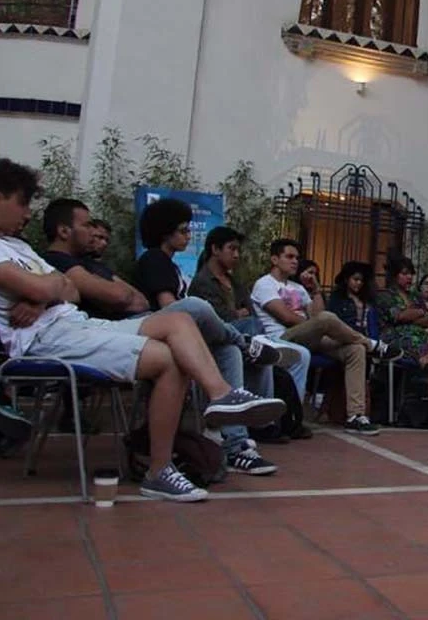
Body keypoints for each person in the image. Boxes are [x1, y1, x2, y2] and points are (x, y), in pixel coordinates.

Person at [0, 159, 284, 501]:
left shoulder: (17, 246)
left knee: (179, 321)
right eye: (23, 203)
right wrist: (46, 290)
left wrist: (42, 295)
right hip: (45, 339)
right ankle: (160, 471)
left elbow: (71, 289)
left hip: (75, 324)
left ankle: (221, 396)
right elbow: (51, 285)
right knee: (169, 358)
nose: (27, 214)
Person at [44, 200, 286, 474]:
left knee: (225, 350)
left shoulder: (95, 265)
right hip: (122, 331)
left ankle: (235, 446)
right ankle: (245, 344)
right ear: (64, 230)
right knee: (195, 307)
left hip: (150, 325)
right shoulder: (63, 262)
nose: (93, 232)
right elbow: (131, 298)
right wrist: (120, 295)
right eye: (87, 226)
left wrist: (122, 295)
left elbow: (134, 297)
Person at [251, 238, 395, 435]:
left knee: (355, 349)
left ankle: (355, 416)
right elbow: (286, 317)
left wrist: (316, 290)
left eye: (297, 258)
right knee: (327, 320)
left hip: (309, 337)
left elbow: (318, 315)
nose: (294, 261)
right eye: (289, 257)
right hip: (280, 338)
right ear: (274, 259)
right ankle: (372, 344)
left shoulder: (298, 288)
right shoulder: (264, 284)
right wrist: (315, 323)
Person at [190, 226, 312, 441]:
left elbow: (250, 312)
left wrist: (239, 315)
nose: (236, 255)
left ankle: (263, 424)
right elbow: (217, 319)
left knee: (261, 356)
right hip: (216, 339)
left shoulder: (235, 283)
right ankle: (262, 347)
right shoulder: (202, 282)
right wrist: (238, 314)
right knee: (256, 341)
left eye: (238, 250)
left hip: (243, 337)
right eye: (232, 249)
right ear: (215, 250)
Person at [374, 256, 428, 430]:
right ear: (394, 275)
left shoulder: (415, 296)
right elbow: (398, 316)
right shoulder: (384, 295)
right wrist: (418, 313)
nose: (409, 277)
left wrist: (412, 315)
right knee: (426, 351)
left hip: (418, 334)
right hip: (395, 337)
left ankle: (427, 370)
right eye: (404, 273)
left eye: (411, 273)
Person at [328, 261, 373, 333]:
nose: (359, 283)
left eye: (362, 281)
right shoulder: (337, 298)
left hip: (365, 334)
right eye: (356, 279)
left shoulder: (367, 298)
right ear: (346, 279)